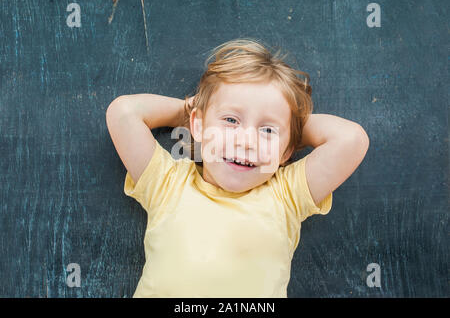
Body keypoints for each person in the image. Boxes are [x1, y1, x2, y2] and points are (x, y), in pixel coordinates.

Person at [105, 38, 369, 297]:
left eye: (266, 130)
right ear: (197, 125)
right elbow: (124, 113)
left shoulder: (286, 196)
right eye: (231, 120)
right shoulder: (167, 184)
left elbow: (351, 139)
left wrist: (290, 125)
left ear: (287, 151)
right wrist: (193, 110)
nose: (246, 141)